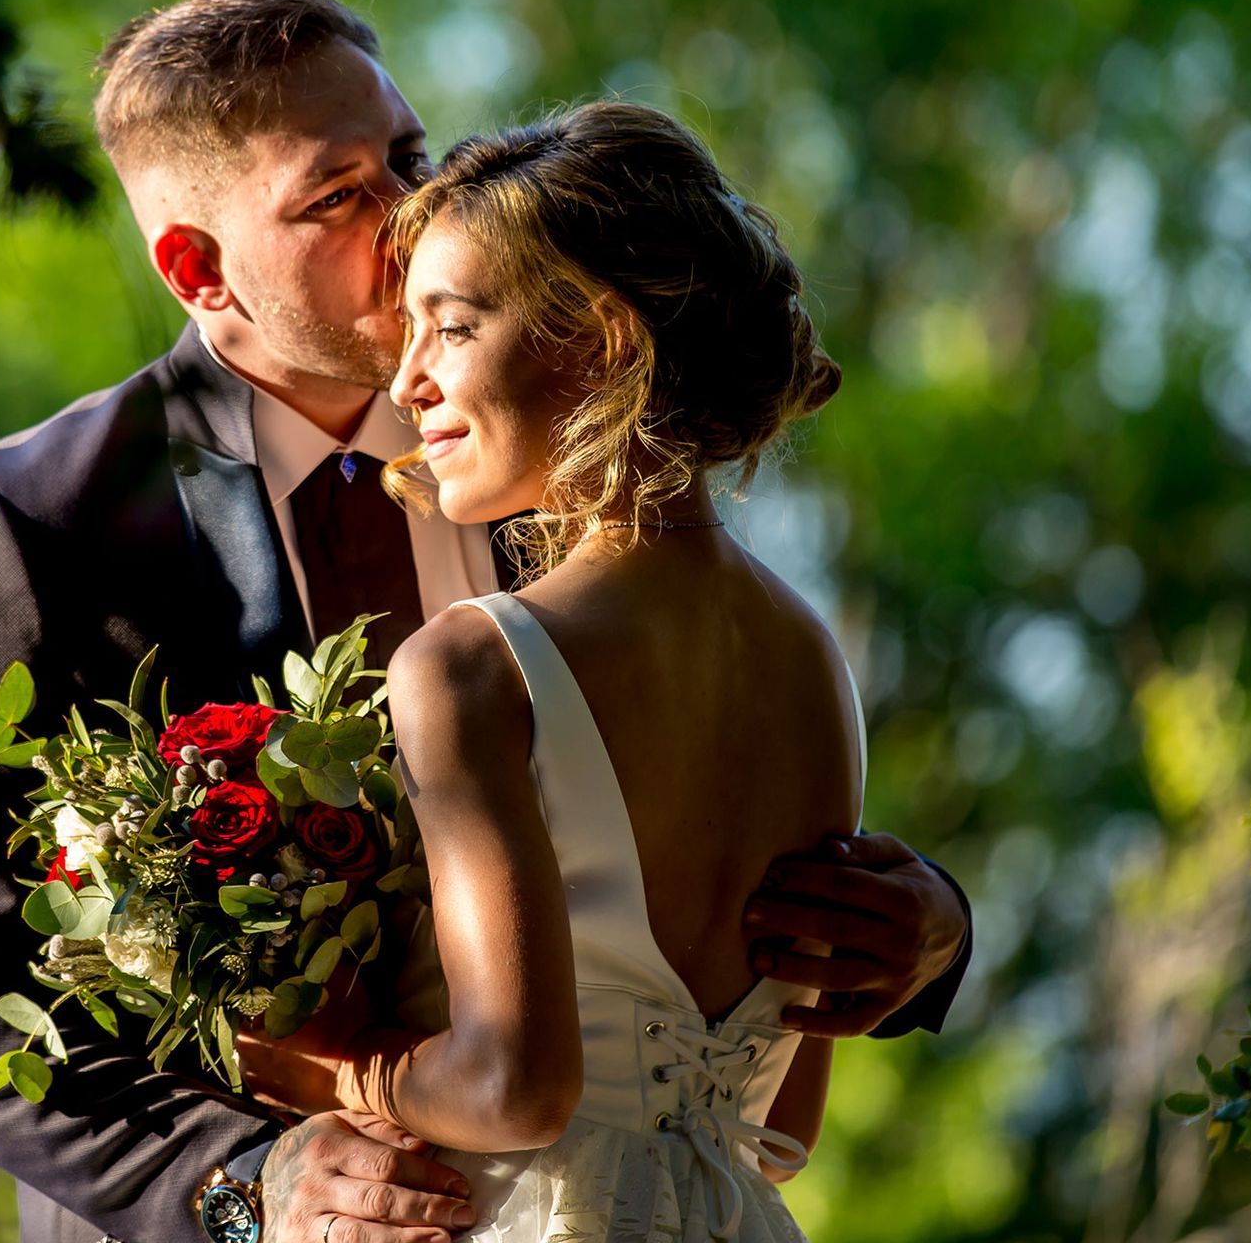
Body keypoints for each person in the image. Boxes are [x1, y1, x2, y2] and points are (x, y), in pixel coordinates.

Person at [0, 0, 970, 1243]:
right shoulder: (33, 524)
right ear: (195, 267)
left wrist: (924, 928)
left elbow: (707, 807)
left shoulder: (551, 439)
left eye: (410, 158)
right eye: (339, 195)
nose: (411, 218)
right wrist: (236, 1183)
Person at [238, 99, 885, 1241]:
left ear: (598, 338)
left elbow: (519, 1090)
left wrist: (328, 1070)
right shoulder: (812, 663)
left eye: (451, 328)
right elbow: (782, 1130)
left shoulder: (476, 666)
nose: (408, 386)